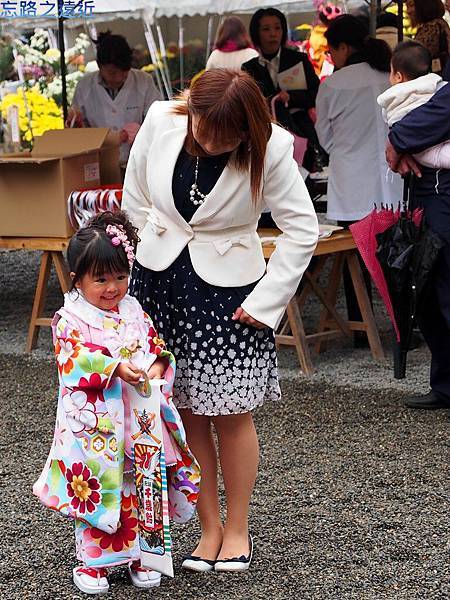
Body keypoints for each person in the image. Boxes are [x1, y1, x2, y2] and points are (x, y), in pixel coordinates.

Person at [122, 69, 319, 572]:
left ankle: (238, 530)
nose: (207, 144)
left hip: (232, 293)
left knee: (230, 414)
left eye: (222, 138)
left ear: (246, 127)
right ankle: (208, 529)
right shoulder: (160, 119)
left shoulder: (271, 146)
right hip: (160, 285)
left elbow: (302, 228)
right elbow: (135, 199)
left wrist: (267, 301)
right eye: (201, 130)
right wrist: (155, 242)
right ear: (192, 111)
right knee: (184, 411)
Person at [33, 211, 200, 595]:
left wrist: (159, 365)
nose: (113, 288)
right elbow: (71, 362)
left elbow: (156, 347)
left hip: (139, 415)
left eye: (121, 277)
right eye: (101, 279)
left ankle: (145, 554)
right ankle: (93, 563)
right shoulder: (69, 318)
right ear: (77, 278)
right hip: (97, 423)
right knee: (99, 486)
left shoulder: (134, 310)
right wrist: (113, 367)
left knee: (142, 481)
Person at [315, 14, 402, 346]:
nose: (331, 58)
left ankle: (360, 329)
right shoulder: (387, 76)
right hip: (391, 180)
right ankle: (402, 326)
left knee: (357, 262)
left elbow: (325, 137)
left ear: (343, 47)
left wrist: (347, 150)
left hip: (352, 183)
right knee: (396, 256)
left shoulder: (333, 85)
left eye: (331, 51)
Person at [386, 75, 450, 413]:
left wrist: (399, 138)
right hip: (432, 190)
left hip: (443, 192)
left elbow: (438, 112)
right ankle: (444, 385)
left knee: (441, 288)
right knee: (427, 290)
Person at [242, 7, 326, 171]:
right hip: (265, 136)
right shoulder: (248, 68)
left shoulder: (298, 60)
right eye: (266, 29)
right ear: (256, 33)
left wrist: (291, 97)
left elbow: (316, 94)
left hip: (300, 134)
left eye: (277, 28)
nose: (273, 33)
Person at [68, 32, 161, 167]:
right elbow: (79, 130)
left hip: (138, 162)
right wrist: (76, 123)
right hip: (99, 163)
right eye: (112, 73)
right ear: (99, 65)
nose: (118, 78)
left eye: (124, 73)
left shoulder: (144, 81)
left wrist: (140, 132)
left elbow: (157, 121)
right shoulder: (85, 86)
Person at [378, 41, 450, 169]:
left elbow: (390, 120)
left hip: (416, 144)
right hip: (441, 132)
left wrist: (397, 139)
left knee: (436, 157)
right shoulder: (434, 84)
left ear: (398, 77)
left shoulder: (393, 95)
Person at [406, 0, 450, 76]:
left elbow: (418, 57)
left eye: (412, 5)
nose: (408, 11)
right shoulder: (439, 23)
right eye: (407, 7)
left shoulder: (432, 27)